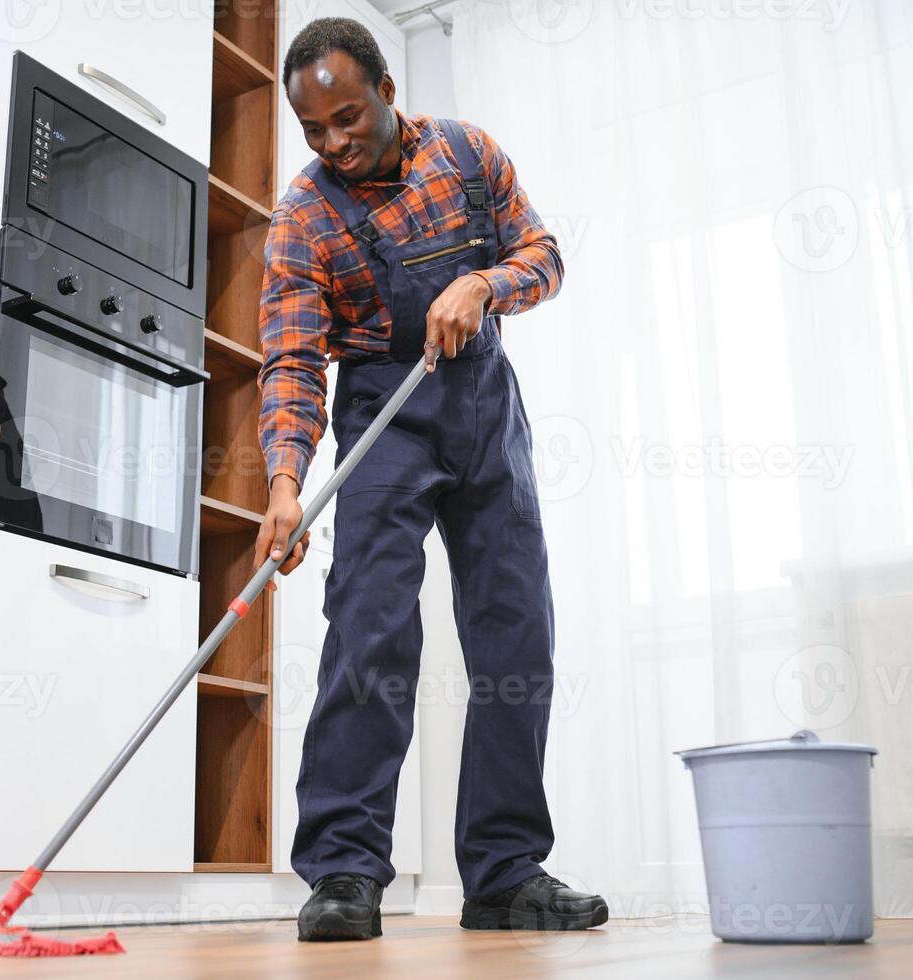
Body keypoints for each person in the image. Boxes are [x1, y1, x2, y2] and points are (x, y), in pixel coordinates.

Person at [253, 17, 607, 941]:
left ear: (387, 91)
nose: (334, 142)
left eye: (348, 116)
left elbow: (544, 257)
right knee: (368, 632)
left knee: (513, 640)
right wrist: (285, 485)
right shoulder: (303, 217)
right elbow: (291, 363)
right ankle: (343, 873)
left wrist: (486, 285)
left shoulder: (467, 154)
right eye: (313, 130)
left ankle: (503, 874)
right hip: (384, 421)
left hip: (485, 412)